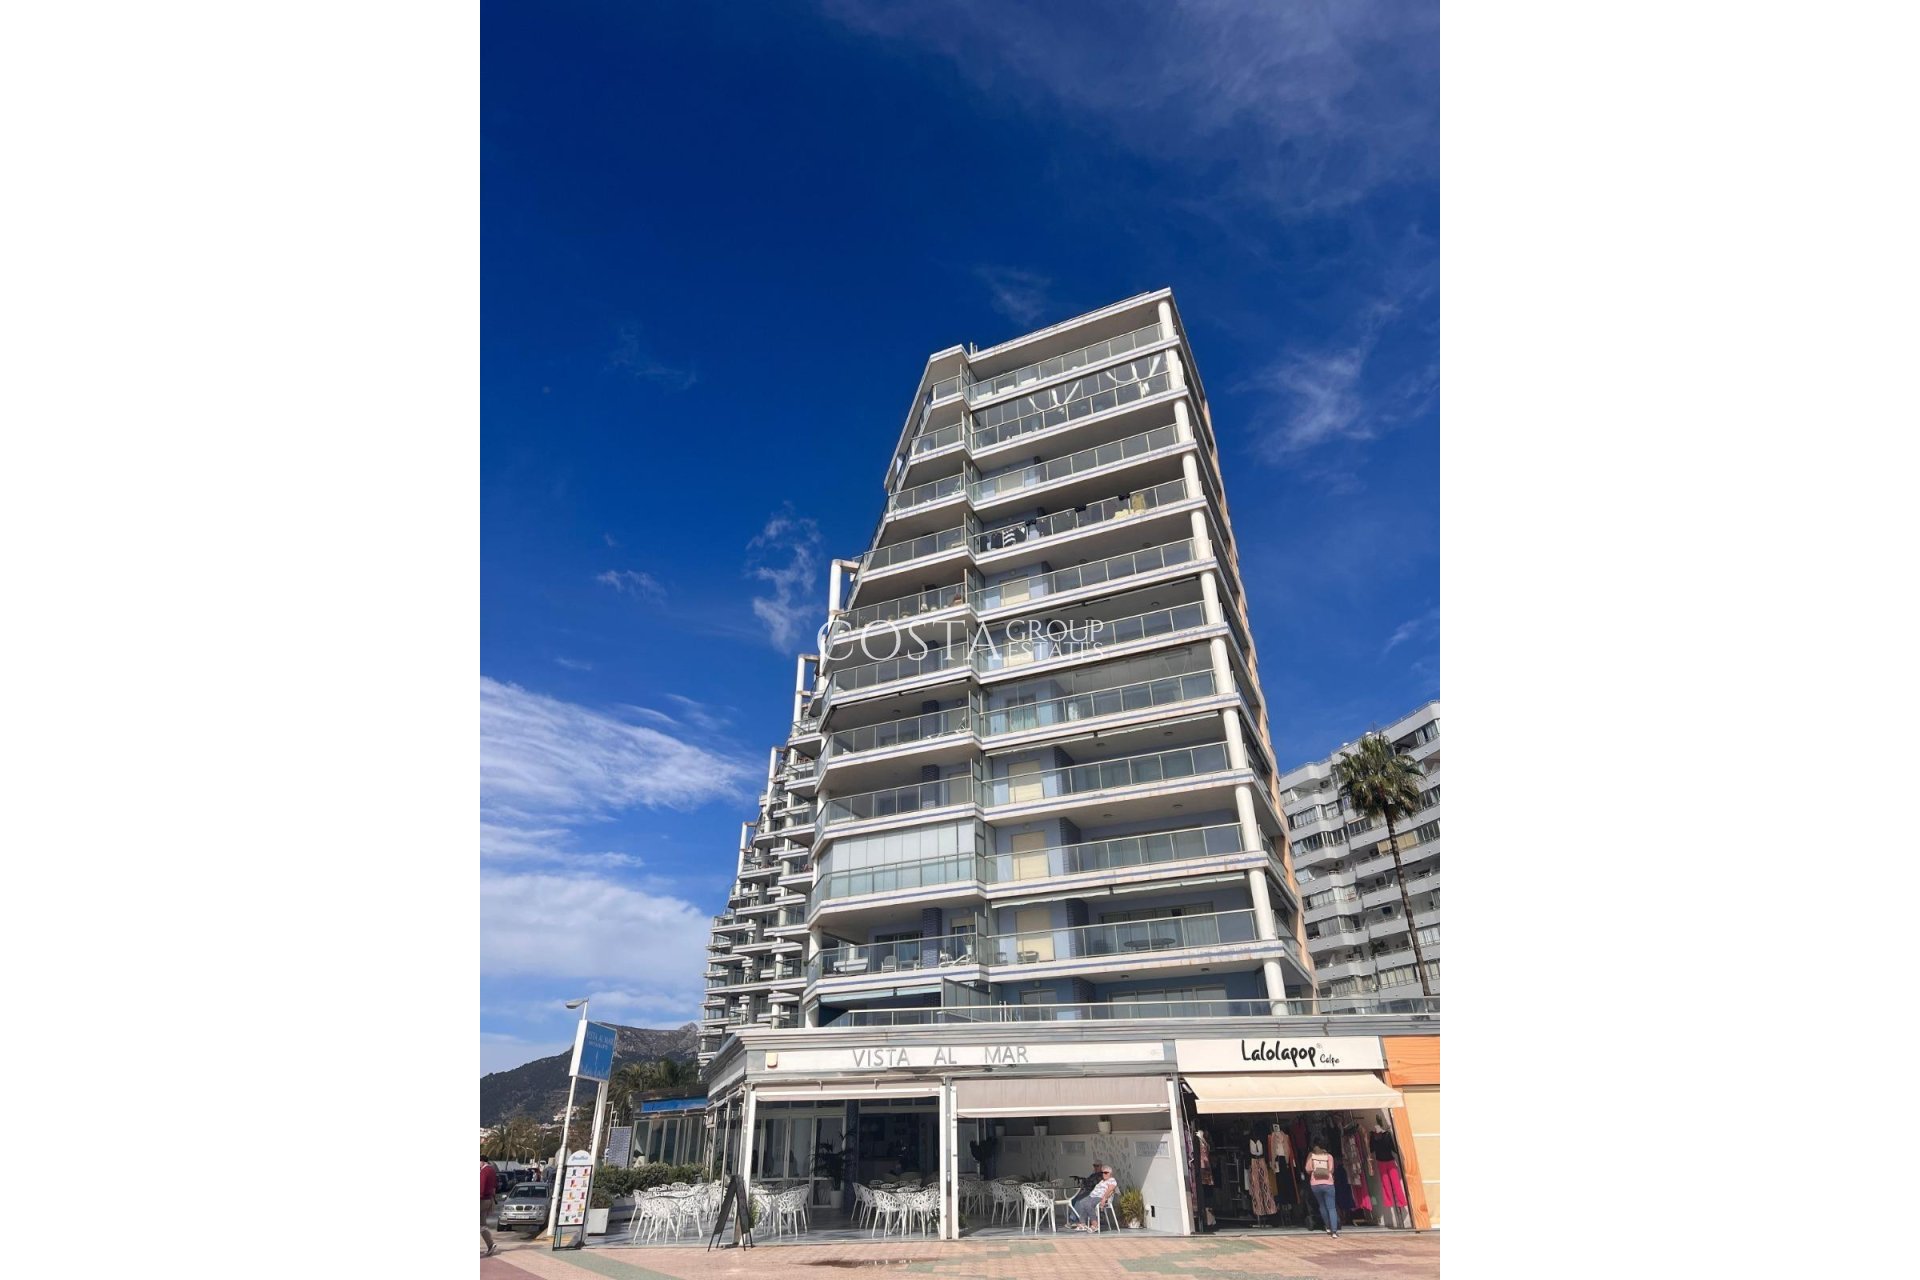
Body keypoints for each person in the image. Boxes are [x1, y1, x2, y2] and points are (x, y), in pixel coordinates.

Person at [1304, 1141, 1339, 1238]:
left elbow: (1308, 1169)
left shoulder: (1311, 1156)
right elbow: (1331, 1170)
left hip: (1315, 1184)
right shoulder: (1329, 1156)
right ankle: (1334, 1231)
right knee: (1331, 1208)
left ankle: (1327, 1227)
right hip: (1328, 1183)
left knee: (1322, 1205)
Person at [1069, 1164, 1117, 1232]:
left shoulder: (1112, 1180)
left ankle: (1095, 1224)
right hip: (1092, 1196)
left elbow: (1110, 1190)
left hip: (1099, 1197)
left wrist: (1104, 1198)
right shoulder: (1102, 1181)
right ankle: (1082, 1224)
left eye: (1106, 1173)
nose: (1104, 1174)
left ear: (1110, 1174)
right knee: (1082, 1202)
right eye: (1103, 1173)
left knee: (1087, 1204)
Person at [480, 1160, 497, 1257]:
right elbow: (494, 1186)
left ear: (482, 1161)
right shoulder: (492, 1170)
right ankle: (490, 1244)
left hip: (481, 1200)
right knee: (481, 1224)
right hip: (488, 1199)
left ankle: (490, 1244)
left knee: (481, 1224)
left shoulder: (484, 1171)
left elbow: (481, 1186)